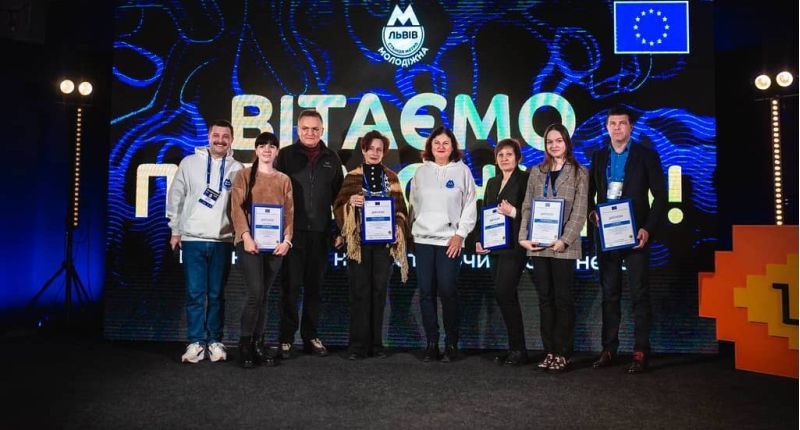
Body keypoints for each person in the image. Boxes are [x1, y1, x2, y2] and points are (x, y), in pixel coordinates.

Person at [588, 105, 667, 374]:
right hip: (607, 236)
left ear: (631, 127)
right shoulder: (599, 156)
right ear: (606, 127)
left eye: (622, 123)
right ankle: (609, 349)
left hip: (636, 237)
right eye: (613, 123)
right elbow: (590, 195)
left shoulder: (647, 155)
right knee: (609, 294)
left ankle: (641, 350)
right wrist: (592, 215)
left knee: (639, 294)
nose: (617, 128)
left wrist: (647, 229)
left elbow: (661, 196)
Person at [167, 119, 243, 363]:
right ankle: (196, 342)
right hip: (192, 239)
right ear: (209, 136)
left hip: (222, 240)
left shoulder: (238, 168)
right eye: (216, 135)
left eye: (225, 136)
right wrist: (175, 230)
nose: (220, 140)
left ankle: (215, 341)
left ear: (232, 139)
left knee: (217, 294)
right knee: (195, 294)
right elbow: (176, 197)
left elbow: (241, 206)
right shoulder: (189, 163)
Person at [333, 130, 410, 360]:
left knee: (378, 293)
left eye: (379, 149)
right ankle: (357, 345)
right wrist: (350, 203)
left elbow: (401, 211)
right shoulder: (352, 177)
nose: (375, 153)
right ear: (363, 150)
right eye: (371, 149)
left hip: (384, 245)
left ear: (384, 152)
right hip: (358, 244)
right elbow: (338, 207)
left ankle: (376, 344)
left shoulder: (392, 178)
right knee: (359, 293)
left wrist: (397, 228)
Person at [519, 123, 588, 373]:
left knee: (563, 300)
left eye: (558, 140)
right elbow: (527, 205)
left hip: (563, 247)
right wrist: (523, 236)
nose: (554, 145)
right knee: (545, 299)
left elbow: (580, 211)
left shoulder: (580, 172)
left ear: (567, 142)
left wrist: (565, 239)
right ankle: (549, 350)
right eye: (550, 141)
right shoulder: (537, 171)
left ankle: (563, 352)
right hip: (538, 245)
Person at [274, 109, 344, 358]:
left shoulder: (332, 158)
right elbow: (274, 194)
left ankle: (311, 336)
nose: (310, 133)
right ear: (298, 129)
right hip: (292, 235)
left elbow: (339, 199)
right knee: (291, 288)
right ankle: (285, 339)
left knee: (315, 289)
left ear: (322, 130)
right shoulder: (285, 156)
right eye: (305, 128)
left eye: (315, 129)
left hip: (321, 234)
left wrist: (339, 230)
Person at [409, 126, 477, 363]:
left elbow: (470, 205)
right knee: (426, 293)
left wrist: (460, 234)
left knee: (448, 291)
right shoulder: (420, 172)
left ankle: (451, 343)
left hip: (450, 241)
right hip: (423, 240)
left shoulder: (463, 171)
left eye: (445, 143)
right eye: (436, 142)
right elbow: (414, 204)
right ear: (430, 146)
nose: (440, 146)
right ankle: (431, 343)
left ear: (452, 147)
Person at [230, 132, 293, 368]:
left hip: (275, 245)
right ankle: (245, 345)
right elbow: (236, 209)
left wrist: (287, 240)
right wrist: (246, 236)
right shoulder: (244, 175)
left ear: (277, 151)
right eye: (262, 146)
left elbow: (289, 212)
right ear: (256, 150)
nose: (267, 149)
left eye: (271, 146)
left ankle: (258, 344)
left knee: (263, 296)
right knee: (256, 294)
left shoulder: (284, 179)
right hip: (249, 243)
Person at [475, 138, 530, 366]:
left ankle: (519, 349)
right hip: (495, 247)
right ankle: (515, 348)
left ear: (517, 157)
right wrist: (481, 240)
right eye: (500, 155)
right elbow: (485, 213)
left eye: (509, 154)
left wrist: (514, 211)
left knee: (504, 291)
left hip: (515, 246)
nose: (504, 158)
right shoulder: (492, 182)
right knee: (504, 295)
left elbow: (531, 211)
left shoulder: (526, 179)